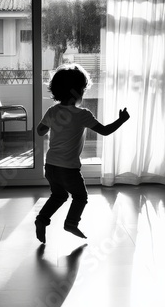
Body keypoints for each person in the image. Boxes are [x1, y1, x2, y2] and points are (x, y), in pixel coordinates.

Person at [35, 63, 130, 243]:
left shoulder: (53, 111)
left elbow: (40, 131)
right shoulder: (82, 114)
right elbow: (105, 131)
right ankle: (71, 223)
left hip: (51, 166)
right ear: (78, 92)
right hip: (68, 169)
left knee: (59, 195)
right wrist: (121, 120)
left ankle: (42, 219)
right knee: (80, 196)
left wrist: (52, 124)